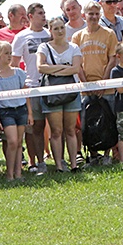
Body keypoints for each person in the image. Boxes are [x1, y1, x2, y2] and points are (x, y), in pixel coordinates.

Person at [73, 1, 118, 165]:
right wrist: (86, 85)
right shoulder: (77, 36)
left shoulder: (109, 34)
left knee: (108, 121)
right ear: (84, 15)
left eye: (96, 13)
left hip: (106, 88)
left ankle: (107, 154)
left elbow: (112, 59)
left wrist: (103, 83)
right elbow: (76, 63)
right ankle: (92, 154)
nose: (93, 17)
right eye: (90, 14)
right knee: (88, 122)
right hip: (86, 88)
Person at [37, 17, 83, 172]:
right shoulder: (43, 47)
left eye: (62, 27)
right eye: (55, 28)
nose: (60, 31)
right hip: (52, 93)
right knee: (56, 131)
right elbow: (41, 67)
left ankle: (74, 165)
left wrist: (54, 68)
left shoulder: (74, 47)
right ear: (50, 30)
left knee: (70, 130)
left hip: (71, 93)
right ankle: (58, 165)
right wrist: (64, 67)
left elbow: (75, 69)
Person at [12, 2, 52, 173]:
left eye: (44, 13)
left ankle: (54, 160)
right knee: (34, 125)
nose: (43, 16)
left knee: (52, 125)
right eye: (39, 13)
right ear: (30, 16)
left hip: (51, 85)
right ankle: (34, 161)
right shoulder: (21, 37)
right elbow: (14, 64)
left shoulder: (50, 34)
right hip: (32, 85)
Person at [0, 41, 31, 181]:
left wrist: (30, 112)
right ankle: (9, 174)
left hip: (21, 110)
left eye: (10, 53)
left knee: (18, 143)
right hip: (6, 112)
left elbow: (25, 93)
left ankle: (18, 173)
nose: (9, 56)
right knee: (12, 141)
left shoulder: (19, 73)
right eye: (6, 53)